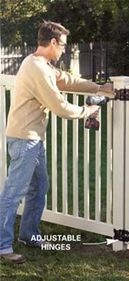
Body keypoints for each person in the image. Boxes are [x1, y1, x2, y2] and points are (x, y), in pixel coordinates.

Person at [0, 21, 114, 264]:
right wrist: (88, 110)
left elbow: (67, 80)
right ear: (52, 43)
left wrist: (99, 86)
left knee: (38, 188)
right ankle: (2, 246)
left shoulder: (41, 65)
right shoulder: (37, 69)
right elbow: (60, 107)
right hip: (24, 140)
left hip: (32, 139)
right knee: (13, 193)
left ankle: (29, 235)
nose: (63, 49)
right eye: (62, 45)